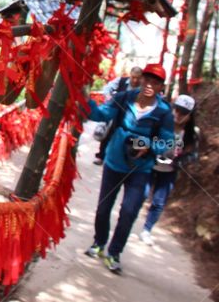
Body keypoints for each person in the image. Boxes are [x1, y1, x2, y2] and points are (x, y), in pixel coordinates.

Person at [84, 63, 175, 274]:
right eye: (147, 79)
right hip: (114, 161)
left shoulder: (164, 112)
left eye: (156, 82)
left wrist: (148, 147)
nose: (150, 85)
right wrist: (84, 96)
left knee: (128, 212)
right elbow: (101, 114)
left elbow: (168, 143)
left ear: (162, 87)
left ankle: (114, 252)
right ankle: (99, 243)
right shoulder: (125, 97)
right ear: (141, 79)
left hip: (140, 170)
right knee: (103, 207)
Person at [139, 94, 199, 245]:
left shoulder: (193, 134)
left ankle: (147, 229)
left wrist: (180, 161)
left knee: (159, 202)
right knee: (141, 194)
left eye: (183, 112)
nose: (178, 115)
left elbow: (193, 154)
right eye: (176, 110)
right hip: (151, 164)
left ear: (190, 116)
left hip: (169, 171)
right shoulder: (161, 122)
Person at [94, 67, 143, 165]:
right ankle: (101, 156)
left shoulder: (142, 88)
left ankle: (123, 160)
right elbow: (107, 88)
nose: (135, 80)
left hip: (131, 116)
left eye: (138, 78)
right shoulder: (121, 81)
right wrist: (110, 99)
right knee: (109, 133)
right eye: (133, 77)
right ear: (130, 75)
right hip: (117, 112)